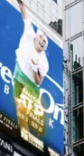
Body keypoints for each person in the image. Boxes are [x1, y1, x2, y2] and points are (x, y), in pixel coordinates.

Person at [12, 0, 50, 135]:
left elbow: (39, 82)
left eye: (45, 42)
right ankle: (24, 132)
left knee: (22, 112)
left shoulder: (44, 62)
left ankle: (26, 136)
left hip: (31, 86)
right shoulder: (29, 33)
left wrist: (35, 67)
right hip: (18, 74)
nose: (42, 42)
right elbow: (23, 9)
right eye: (41, 38)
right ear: (36, 36)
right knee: (18, 108)